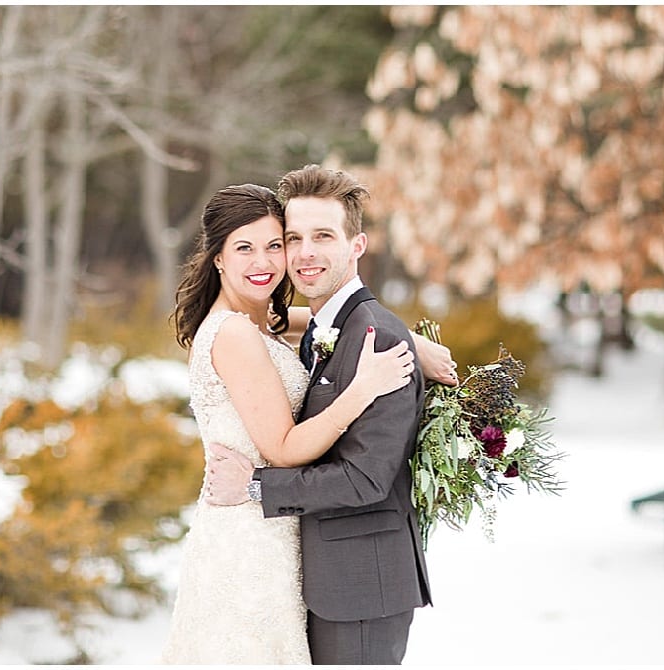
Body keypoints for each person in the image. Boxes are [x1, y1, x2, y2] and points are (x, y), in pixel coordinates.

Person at [161, 182, 453, 664]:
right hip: (250, 543)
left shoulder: (259, 323)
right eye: (248, 248)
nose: (270, 260)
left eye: (275, 244)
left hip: (322, 562)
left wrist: (407, 341)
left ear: (356, 245)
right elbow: (283, 446)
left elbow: (309, 320)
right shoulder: (235, 331)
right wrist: (362, 389)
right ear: (218, 258)